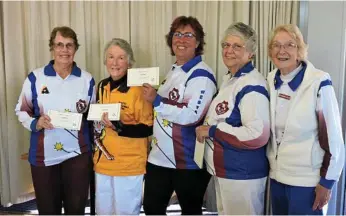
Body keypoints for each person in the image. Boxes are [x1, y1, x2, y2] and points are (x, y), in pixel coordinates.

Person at [15, 26, 95, 214]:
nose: (64, 50)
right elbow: (22, 110)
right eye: (59, 45)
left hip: (78, 155)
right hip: (44, 157)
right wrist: (37, 123)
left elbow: (92, 116)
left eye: (69, 45)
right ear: (52, 47)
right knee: (48, 210)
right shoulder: (35, 78)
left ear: (76, 49)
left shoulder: (86, 79)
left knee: (75, 209)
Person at [266, 24, 345, 215]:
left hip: (306, 183)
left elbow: (334, 139)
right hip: (276, 177)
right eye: (276, 45)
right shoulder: (270, 80)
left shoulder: (319, 82)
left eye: (289, 45)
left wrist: (327, 182)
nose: (282, 51)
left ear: (300, 50)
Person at [142, 16, 217, 215]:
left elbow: (191, 115)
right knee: (151, 209)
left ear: (198, 42)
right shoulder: (174, 71)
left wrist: (156, 100)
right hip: (159, 159)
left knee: (190, 211)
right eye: (177, 34)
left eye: (188, 35)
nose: (181, 39)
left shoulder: (202, 75)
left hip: (187, 161)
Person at [195, 22, 270, 215]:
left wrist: (212, 131)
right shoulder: (230, 80)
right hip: (226, 172)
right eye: (226, 45)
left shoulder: (252, 85)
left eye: (237, 46)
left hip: (242, 175)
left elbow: (257, 135)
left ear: (251, 53)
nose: (229, 51)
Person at [93, 38, 153, 215]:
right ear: (105, 61)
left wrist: (119, 126)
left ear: (129, 62)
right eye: (110, 57)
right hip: (103, 163)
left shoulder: (139, 89)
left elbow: (147, 128)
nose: (115, 62)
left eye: (121, 58)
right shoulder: (102, 85)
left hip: (129, 165)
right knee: (103, 212)